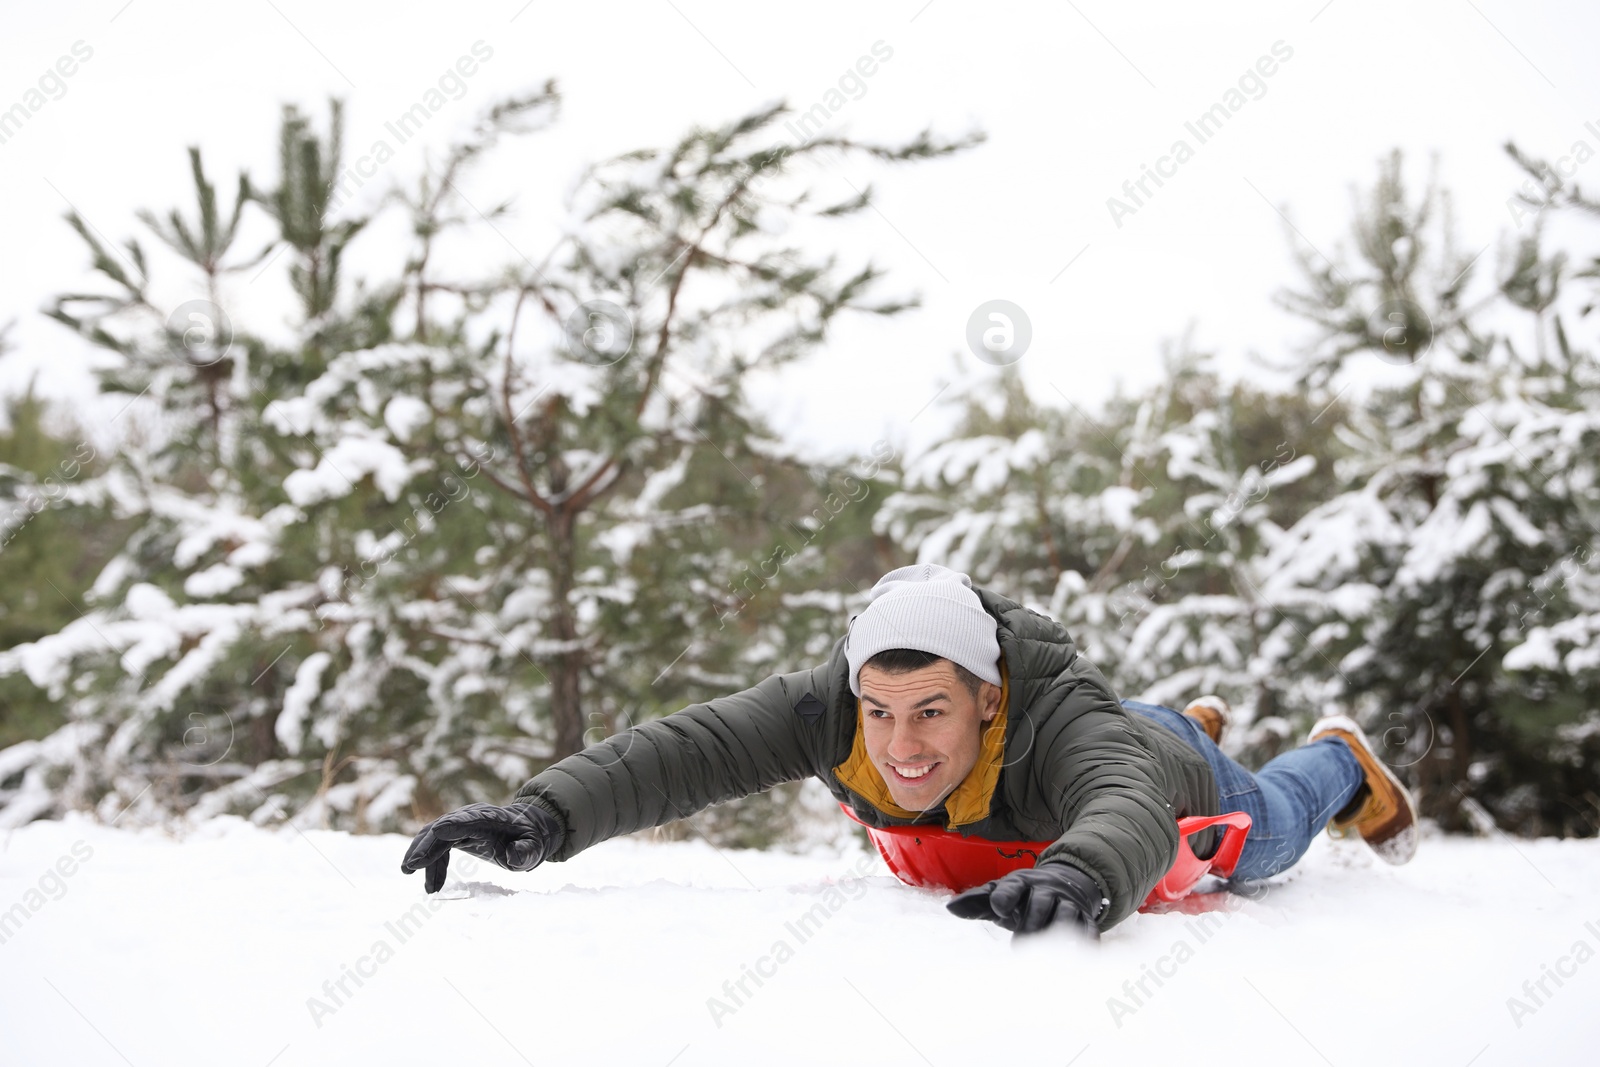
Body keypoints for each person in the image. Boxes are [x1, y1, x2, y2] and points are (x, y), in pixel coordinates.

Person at [401, 564, 1417, 936]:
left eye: (930, 711)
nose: (898, 746)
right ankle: (1183, 715)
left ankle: (1339, 757)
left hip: (1162, 782)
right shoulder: (838, 705)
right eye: (878, 712)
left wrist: (1079, 871)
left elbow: (1124, 802)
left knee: (1275, 829)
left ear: (986, 695)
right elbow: (688, 748)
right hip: (1115, 749)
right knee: (1137, 736)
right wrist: (541, 814)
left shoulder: (1061, 728)